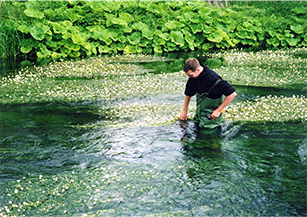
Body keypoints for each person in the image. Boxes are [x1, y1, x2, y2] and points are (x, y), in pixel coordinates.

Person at [179, 58, 237, 129]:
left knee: (207, 135)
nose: (189, 77)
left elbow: (232, 94)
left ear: (197, 70)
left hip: (211, 119)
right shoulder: (193, 78)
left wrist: (219, 110)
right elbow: (188, 93)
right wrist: (184, 111)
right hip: (199, 115)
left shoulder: (214, 79)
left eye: (190, 75)